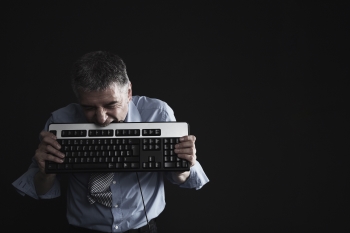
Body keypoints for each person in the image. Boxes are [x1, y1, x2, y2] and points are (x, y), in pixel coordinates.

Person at [12, 51, 209, 233]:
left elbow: (182, 178)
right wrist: (45, 172)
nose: (101, 118)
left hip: (142, 228)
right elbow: (41, 188)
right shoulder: (60, 121)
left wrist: (183, 165)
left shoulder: (157, 113)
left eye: (111, 105)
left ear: (129, 92)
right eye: (88, 108)